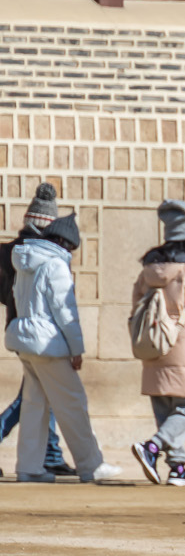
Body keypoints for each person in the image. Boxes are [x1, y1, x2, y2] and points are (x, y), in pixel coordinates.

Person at [6, 208, 118, 483]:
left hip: (25, 341)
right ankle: (91, 464)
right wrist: (76, 349)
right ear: (67, 244)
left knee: (35, 404)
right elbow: (66, 313)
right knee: (73, 403)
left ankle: (29, 468)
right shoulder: (55, 265)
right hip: (48, 344)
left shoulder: (25, 262)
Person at [128, 200, 185, 486]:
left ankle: (177, 469)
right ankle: (152, 447)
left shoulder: (149, 268)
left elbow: (135, 307)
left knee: (165, 407)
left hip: (153, 345)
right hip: (183, 345)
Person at [0, 183, 69, 478]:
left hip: (19, 329)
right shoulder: (47, 254)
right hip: (43, 335)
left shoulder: (8, 252)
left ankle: (51, 453)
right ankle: (50, 454)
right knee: (33, 394)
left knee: (43, 391)